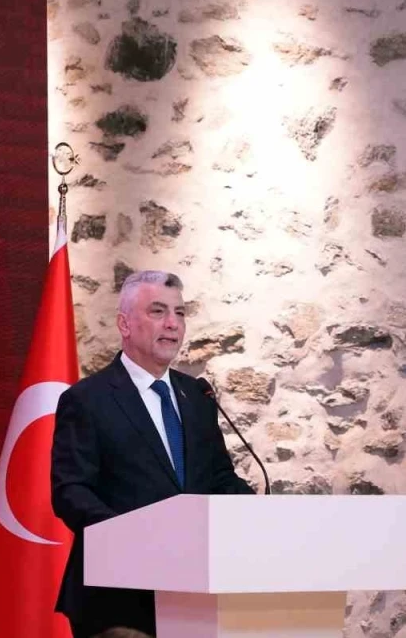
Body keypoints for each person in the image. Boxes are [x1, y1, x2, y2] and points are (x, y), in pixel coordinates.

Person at [51, 270, 255, 637]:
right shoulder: (87, 400)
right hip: (117, 601)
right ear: (124, 324)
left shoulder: (197, 397)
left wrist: (259, 513)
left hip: (195, 595)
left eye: (180, 313)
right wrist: (132, 537)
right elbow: (71, 491)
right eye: (158, 311)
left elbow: (220, 478)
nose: (173, 324)